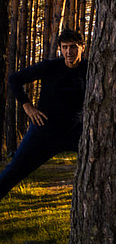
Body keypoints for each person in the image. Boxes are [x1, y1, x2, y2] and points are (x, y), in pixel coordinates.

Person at [0, 30, 88, 201]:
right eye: (64, 47)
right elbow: (14, 79)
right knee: (13, 171)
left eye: (73, 47)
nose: (68, 52)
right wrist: (27, 106)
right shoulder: (50, 67)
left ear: (82, 48)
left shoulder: (89, 68)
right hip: (43, 131)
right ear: (60, 49)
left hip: (74, 132)